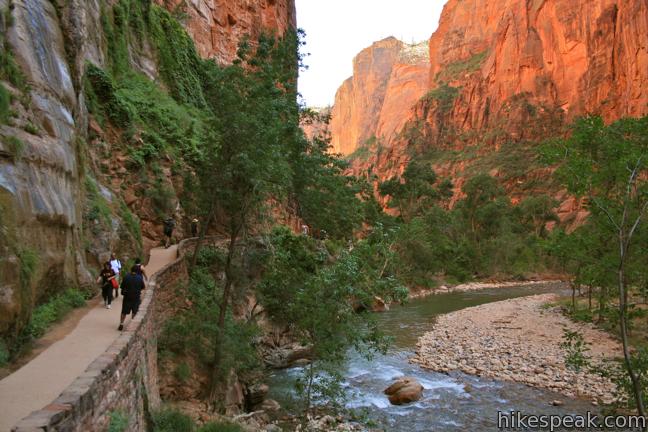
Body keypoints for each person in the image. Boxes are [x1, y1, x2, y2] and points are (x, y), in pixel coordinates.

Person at [118, 266, 146, 331]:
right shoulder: (139, 278)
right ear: (137, 271)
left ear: (131, 270)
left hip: (127, 297)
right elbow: (143, 287)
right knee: (134, 312)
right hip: (136, 298)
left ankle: (121, 323)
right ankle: (132, 326)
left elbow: (122, 287)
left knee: (124, 311)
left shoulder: (126, 277)